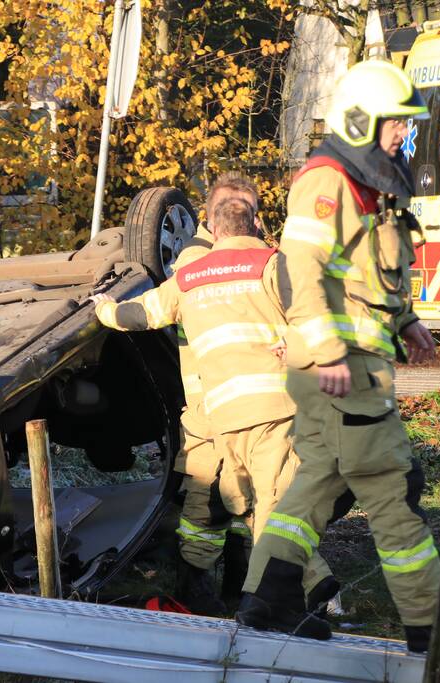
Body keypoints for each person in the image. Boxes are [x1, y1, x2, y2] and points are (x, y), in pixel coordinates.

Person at [235, 60, 440, 650]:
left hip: (344, 363)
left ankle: (267, 600)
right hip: (341, 365)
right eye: (396, 125)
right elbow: (299, 267)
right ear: (360, 120)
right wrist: (328, 349)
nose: (405, 136)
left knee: (320, 481)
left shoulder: (363, 185)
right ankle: (431, 625)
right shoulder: (327, 180)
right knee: (392, 482)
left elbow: (360, 274)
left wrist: (406, 320)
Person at [92, 196, 336, 621]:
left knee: (226, 507)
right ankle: (299, 593)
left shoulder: (189, 273)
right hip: (271, 410)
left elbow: (141, 313)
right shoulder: (271, 264)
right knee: (270, 504)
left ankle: (255, 592)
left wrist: (103, 310)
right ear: (255, 223)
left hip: (216, 416)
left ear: (210, 226)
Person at [169, 172, 260, 616]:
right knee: (205, 500)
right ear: (211, 217)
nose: (238, 216)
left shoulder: (263, 258)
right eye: (230, 207)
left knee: (251, 497)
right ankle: (194, 587)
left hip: (253, 404)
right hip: (207, 405)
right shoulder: (193, 260)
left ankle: (241, 583)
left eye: (246, 208)